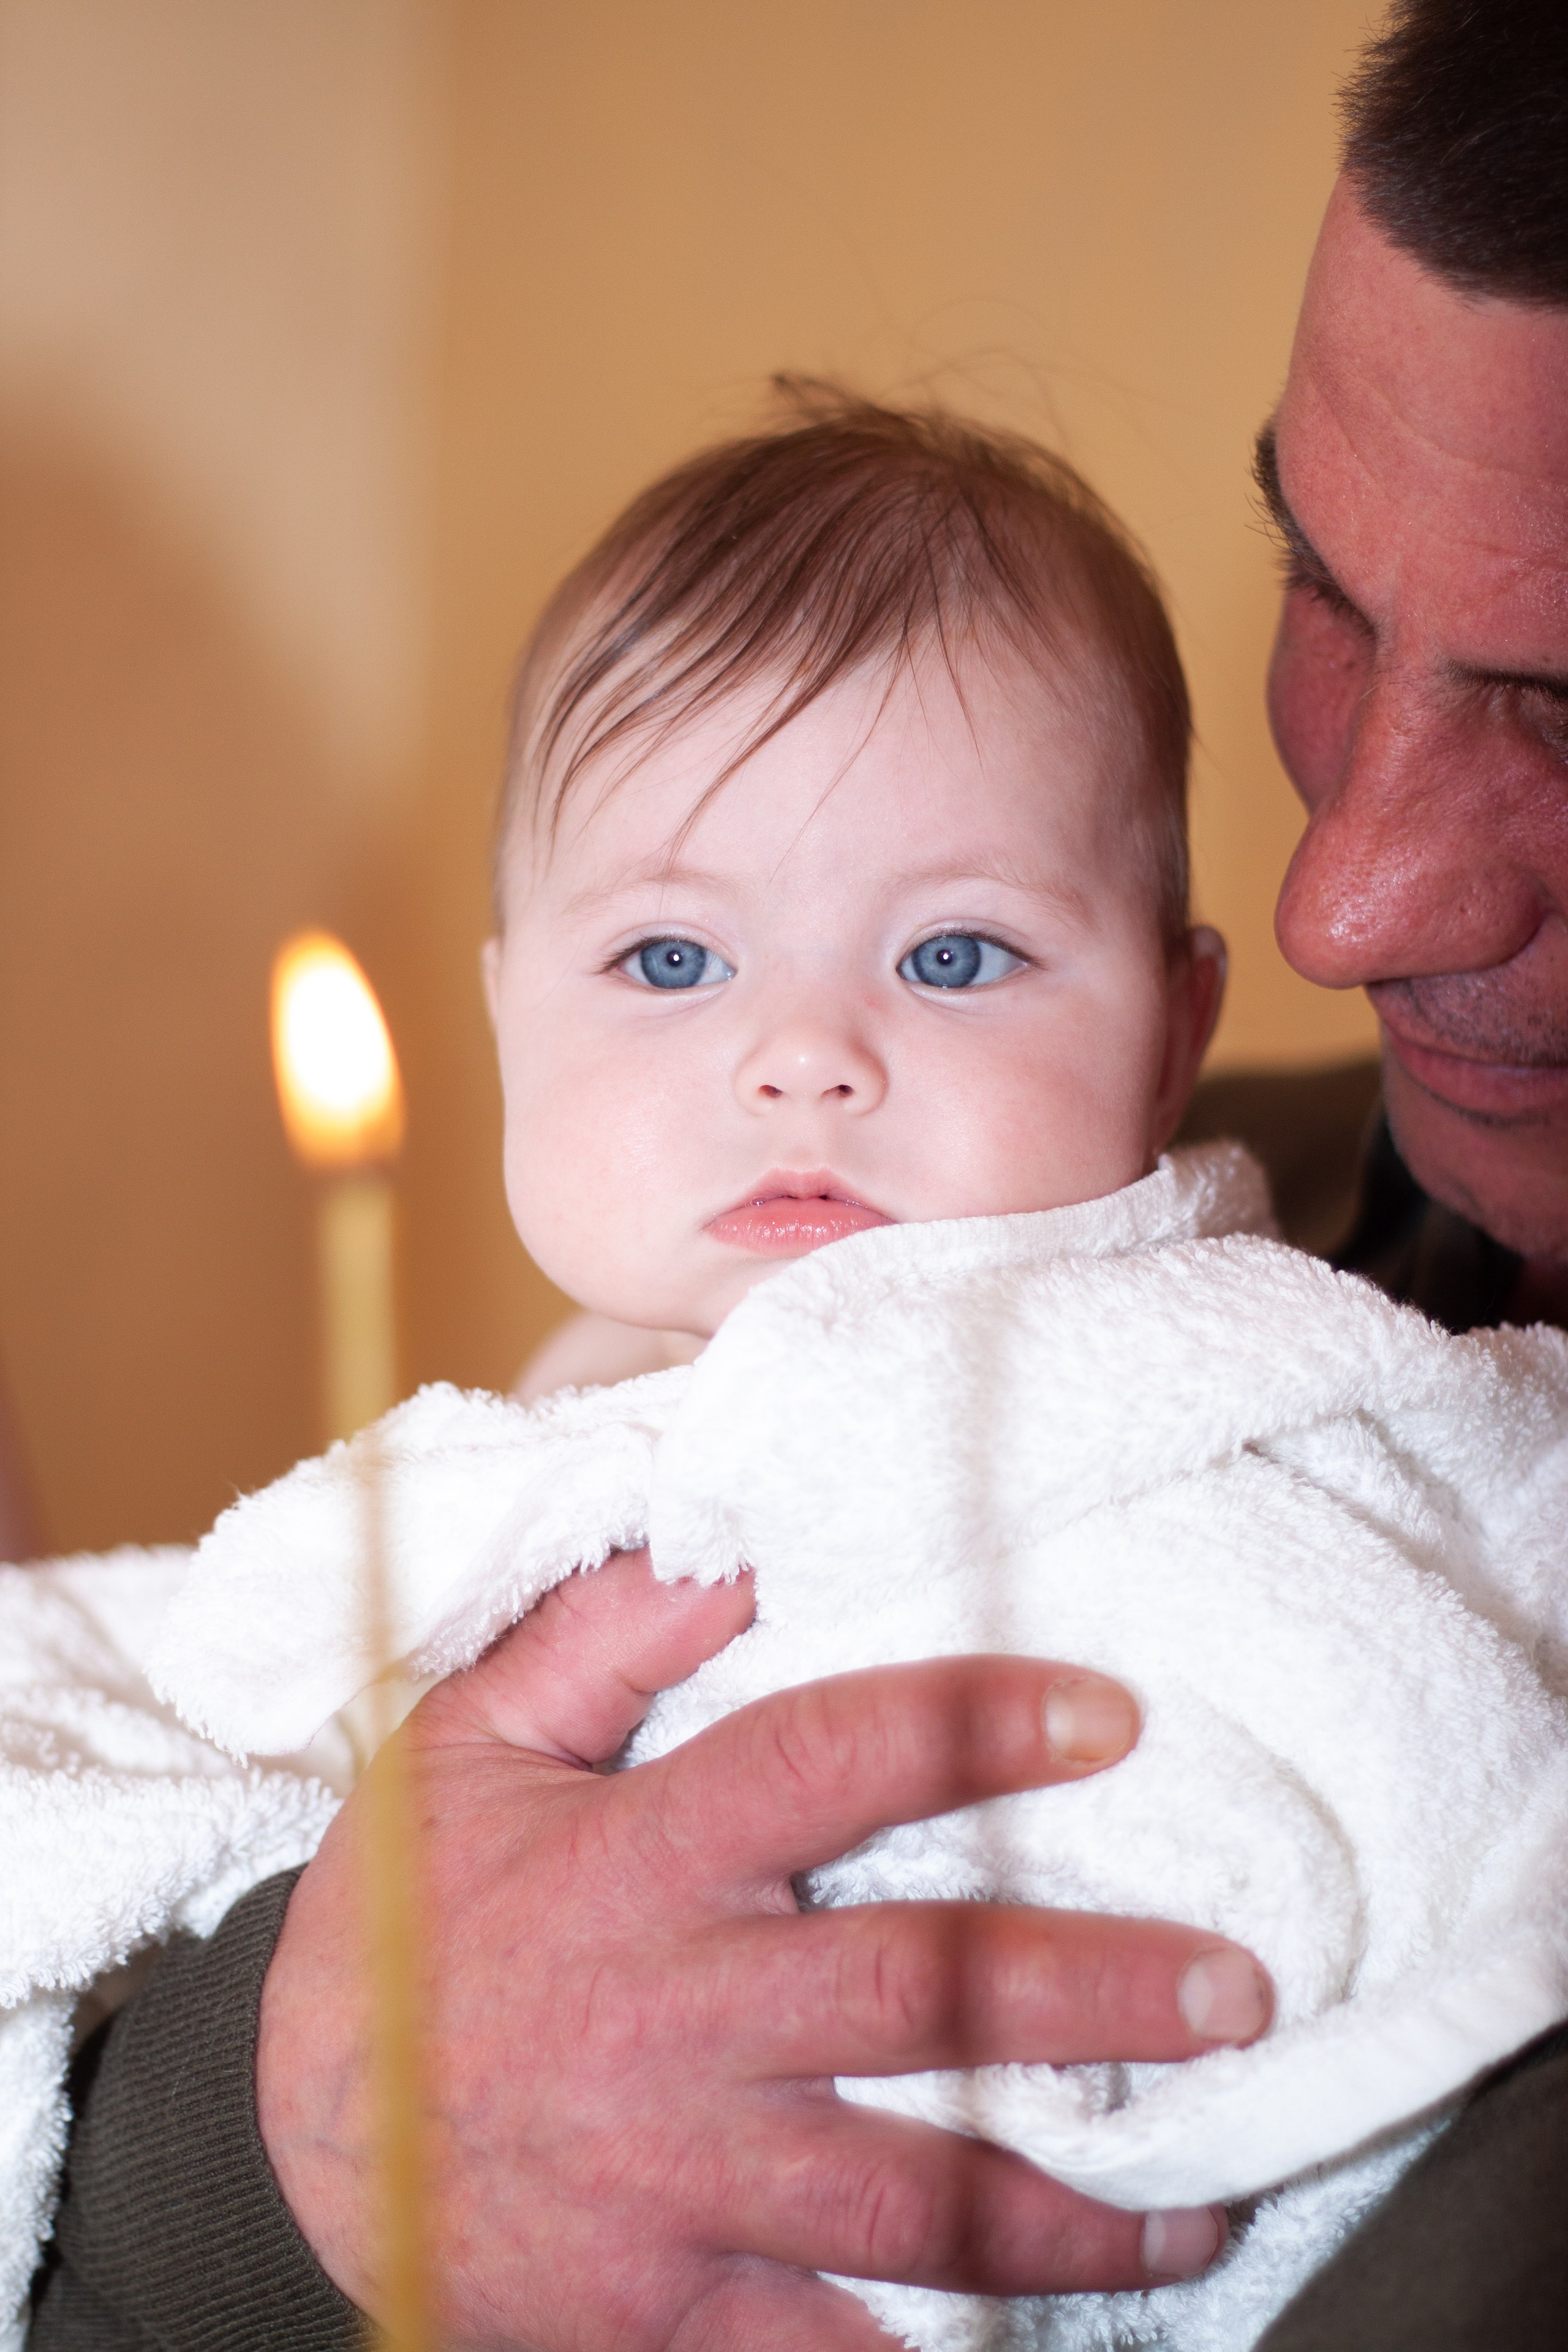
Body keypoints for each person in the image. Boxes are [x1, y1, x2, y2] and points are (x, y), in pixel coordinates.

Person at [25, 2, 1568, 2346]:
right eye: (1336, 606)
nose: (802, 1066)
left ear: (1160, 1016)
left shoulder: (1294, 1404)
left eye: (955, 953)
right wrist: (271, 2114)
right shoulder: (521, 1460)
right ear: (501, 1017)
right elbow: (140, 1772)